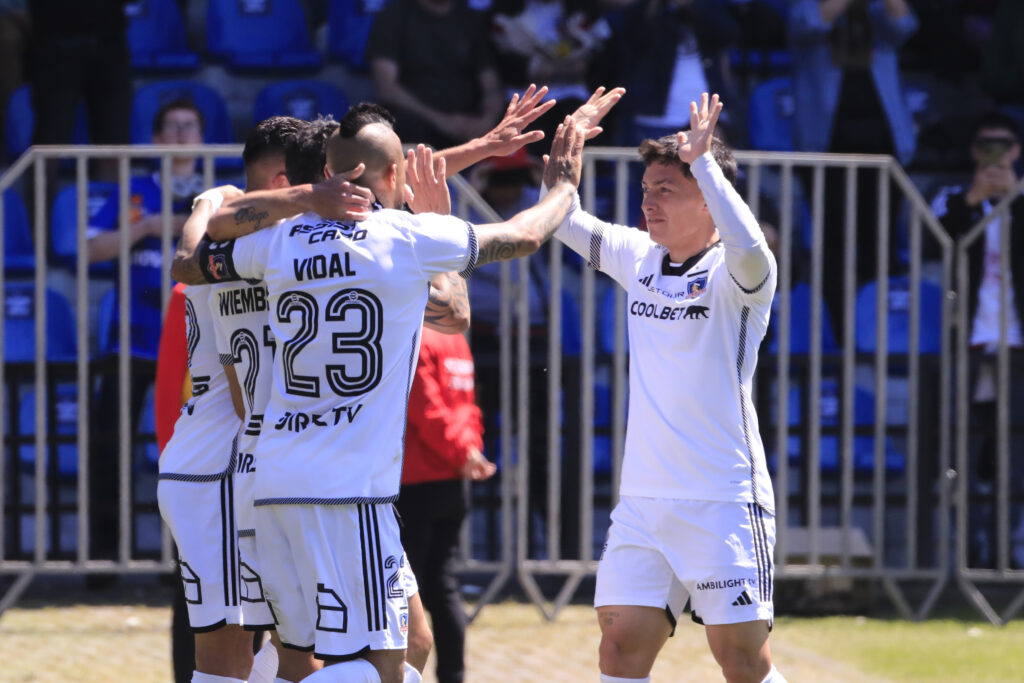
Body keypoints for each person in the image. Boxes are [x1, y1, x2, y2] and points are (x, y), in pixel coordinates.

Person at [170, 104, 585, 683]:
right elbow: (521, 236)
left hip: (271, 478)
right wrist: (564, 186)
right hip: (350, 491)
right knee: (388, 665)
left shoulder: (276, 241)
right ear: (391, 181)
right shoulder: (406, 236)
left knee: (300, 656)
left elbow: (199, 254)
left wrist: (217, 207)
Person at [554, 92, 785, 682]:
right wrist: (568, 148)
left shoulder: (740, 275)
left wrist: (705, 163)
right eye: (647, 188)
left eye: (666, 189)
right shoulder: (639, 258)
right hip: (644, 501)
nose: (647, 201)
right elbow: (562, 217)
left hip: (723, 499)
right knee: (619, 649)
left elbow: (752, 248)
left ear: (709, 201)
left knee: (742, 663)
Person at [85, 97, 206, 565]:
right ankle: (103, 557)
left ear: (201, 136)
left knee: (189, 453)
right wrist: (150, 227)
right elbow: (92, 248)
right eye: (171, 127)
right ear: (156, 139)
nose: (179, 136)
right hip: (131, 339)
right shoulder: (134, 191)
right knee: (107, 444)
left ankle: (182, 561)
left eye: (188, 126)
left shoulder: (217, 192)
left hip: (196, 347)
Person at [930, 110, 1024, 569]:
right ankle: (969, 555)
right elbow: (933, 242)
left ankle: (1014, 553)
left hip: (1018, 343)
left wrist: (1014, 199)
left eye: (1004, 144)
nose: (995, 152)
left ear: (1017, 150)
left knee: (1017, 454)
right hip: (967, 339)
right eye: (986, 144)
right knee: (962, 450)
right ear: (973, 151)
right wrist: (975, 199)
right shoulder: (952, 197)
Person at [399, 324, 493, 683]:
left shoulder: (416, 335)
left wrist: (461, 451)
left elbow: (425, 408)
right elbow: (468, 406)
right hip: (453, 477)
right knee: (443, 584)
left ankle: (398, 673)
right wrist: (469, 451)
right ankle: (453, 675)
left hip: (417, 478)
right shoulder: (454, 338)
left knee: (407, 589)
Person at [366, 0, 505, 149]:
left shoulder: (471, 19)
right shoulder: (393, 16)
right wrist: (442, 121)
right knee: (406, 125)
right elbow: (387, 89)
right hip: (418, 122)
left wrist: (487, 120)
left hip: (469, 121)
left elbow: (491, 86)